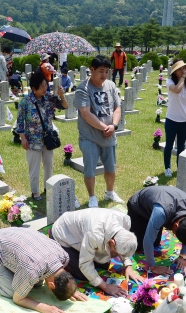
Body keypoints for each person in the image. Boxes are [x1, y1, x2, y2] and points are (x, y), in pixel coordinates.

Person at [0, 228, 88, 313]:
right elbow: (18, 299)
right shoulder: (32, 270)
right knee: (12, 292)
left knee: (35, 284)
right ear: (51, 285)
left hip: (10, 234)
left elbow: (63, 278)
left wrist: (70, 289)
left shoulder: (64, 257)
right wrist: (45, 308)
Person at [51, 208, 144, 297]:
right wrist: (106, 286)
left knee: (103, 265)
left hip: (84, 234)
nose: (116, 256)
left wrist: (128, 266)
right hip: (63, 235)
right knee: (83, 275)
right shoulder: (94, 234)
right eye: (116, 253)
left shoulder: (125, 220)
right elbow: (85, 264)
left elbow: (124, 241)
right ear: (112, 242)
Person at [75, 55, 124, 208]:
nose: (104, 75)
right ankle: (92, 197)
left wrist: (114, 126)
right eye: (101, 71)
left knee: (110, 167)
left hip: (109, 134)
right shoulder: (83, 88)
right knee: (90, 169)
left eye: (106, 72)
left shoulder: (110, 85)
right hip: (89, 136)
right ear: (92, 70)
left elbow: (117, 107)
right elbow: (86, 113)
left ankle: (110, 192)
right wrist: (104, 127)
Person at [16, 71, 68, 201]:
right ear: (34, 88)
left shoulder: (49, 98)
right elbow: (20, 122)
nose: (45, 88)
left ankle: (48, 187)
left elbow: (65, 106)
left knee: (48, 165)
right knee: (34, 167)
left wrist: (62, 96)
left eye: (46, 85)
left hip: (47, 139)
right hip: (32, 140)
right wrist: (23, 138)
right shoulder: (25, 102)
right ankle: (35, 192)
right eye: (42, 86)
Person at [127, 186, 186, 276]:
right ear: (176, 226)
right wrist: (153, 267)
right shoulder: (161, 213)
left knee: (155, 245)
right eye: (175, 234)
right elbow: (148, 241)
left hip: (158, 208)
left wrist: (182, 255)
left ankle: (151, 224)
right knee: (137, 246)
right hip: (138, 207)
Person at [163, 58, 186, 177]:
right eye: (180, 69)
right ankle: (167, 168)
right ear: (174, 71)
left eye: (184, 68)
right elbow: (176, 90)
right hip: (171, 119)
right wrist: (183, 78)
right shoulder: (170, 82)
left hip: (184, 120)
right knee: (169, 145)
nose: (183, 71)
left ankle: (179, 167)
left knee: (181, 146)